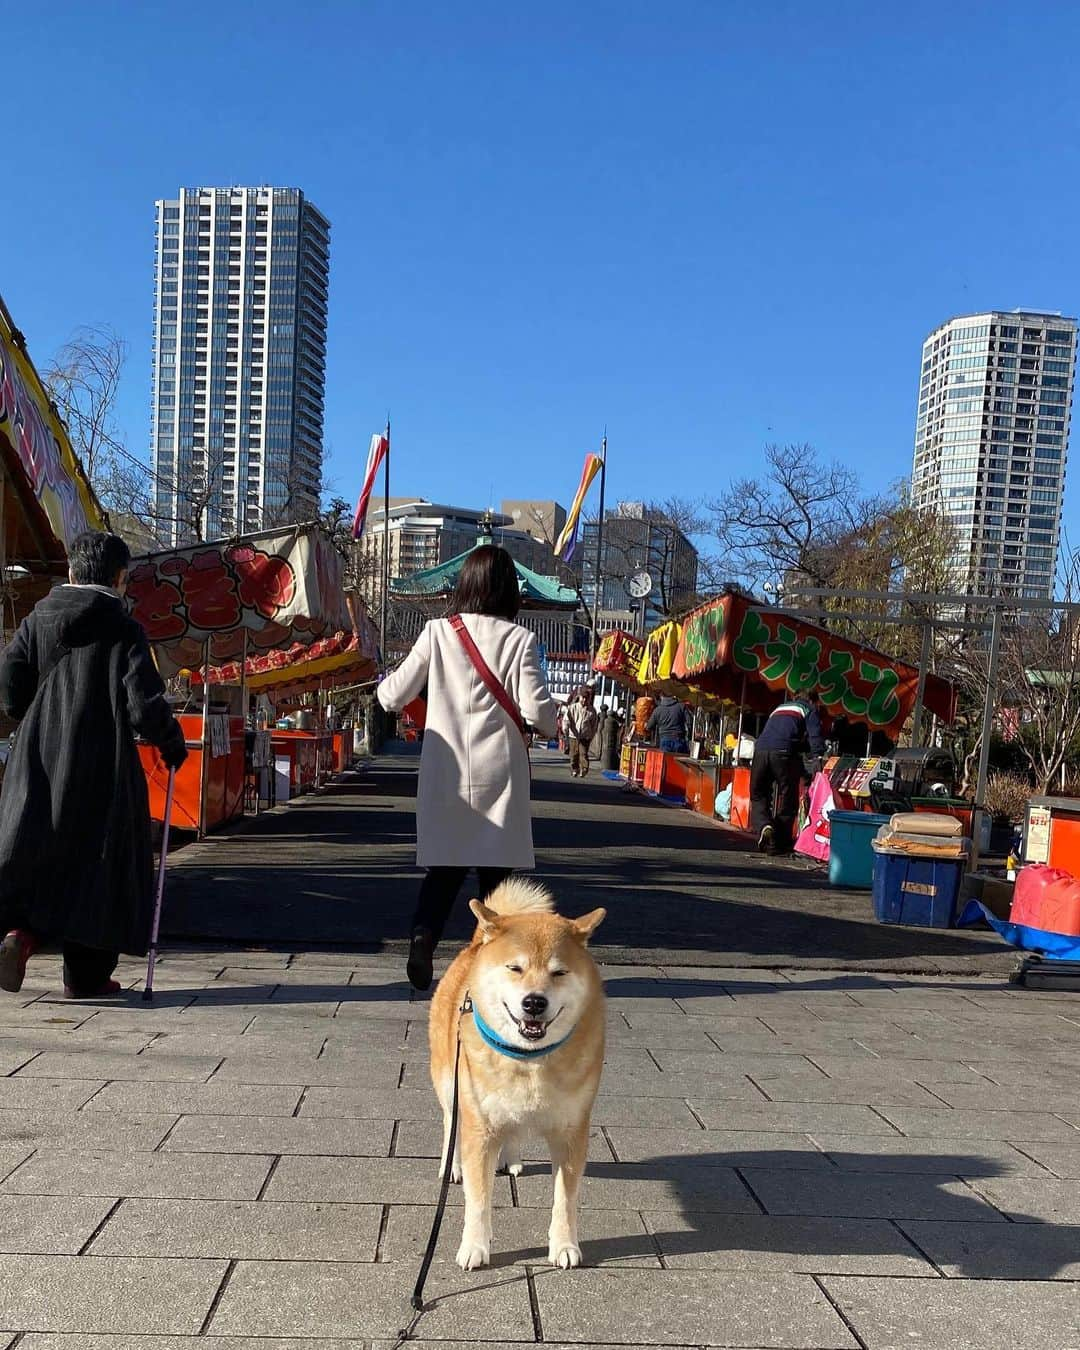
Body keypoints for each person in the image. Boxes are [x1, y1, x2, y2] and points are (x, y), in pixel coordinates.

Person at [0, 531, 188, 998]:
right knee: (98, 863)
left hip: (37, 756)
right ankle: (85, 977)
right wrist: (171, 745)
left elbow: (8, 681)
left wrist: (34, 715)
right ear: (121, 578)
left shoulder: (38, 617)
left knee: (35, 847)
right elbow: (144, 703)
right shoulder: (123, 628)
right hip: (103, 762)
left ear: (71, 571)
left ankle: (20, 937)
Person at [377, 545, 557, 990]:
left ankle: (423, 938)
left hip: (448, 771)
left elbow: (392, 695)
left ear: (465, 585)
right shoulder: (520, 640)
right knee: (498, 880)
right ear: (508, 589)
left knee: (444, 869)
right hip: (500, 771)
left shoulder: (437, 632)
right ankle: (497, 967)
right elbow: (540, 714)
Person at [750, 690, 825, 856]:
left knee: (758, 795)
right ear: (812, 700)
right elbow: (815, 736)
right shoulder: (808, 709)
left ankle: (764, 826)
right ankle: (778, 843)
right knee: (788, 799)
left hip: (760, 751)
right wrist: (818, 757)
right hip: (783, 753)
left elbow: (778, 733)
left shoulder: (780, 708)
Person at [565, 684, 599, 777]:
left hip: (585, 735)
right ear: (579, 697)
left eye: (586, 698)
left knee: (583, 754)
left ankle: (584, 769)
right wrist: (566, 727)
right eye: (582, 698)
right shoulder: (573, 707)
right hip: (573, 735)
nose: (584, 700)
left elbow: (594, 724)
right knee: (573, 754)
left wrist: (591, 735)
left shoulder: (592, 710)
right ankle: (574, 769)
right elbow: (567, 719)